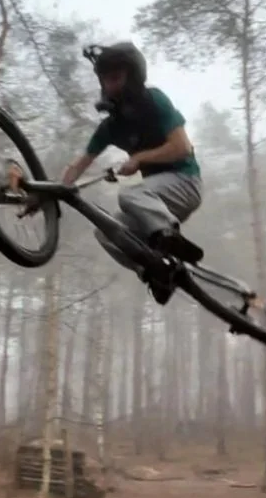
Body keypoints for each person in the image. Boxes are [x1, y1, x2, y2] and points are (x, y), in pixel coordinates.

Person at [61, 42, 203, 304]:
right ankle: (154, 273)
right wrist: (44, 195)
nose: (110, 86)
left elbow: (182, 148)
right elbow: (78, 166)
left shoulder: (155, 101)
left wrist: (139, 159)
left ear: (133, 77)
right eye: (105, 80)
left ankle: (169, 236)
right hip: (156, 203)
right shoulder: (110, 128)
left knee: (128, 196)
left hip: (186, 184)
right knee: (106, 231)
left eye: (115, 78)